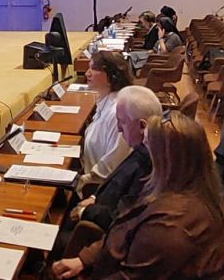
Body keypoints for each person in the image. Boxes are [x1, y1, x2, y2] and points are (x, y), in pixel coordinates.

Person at [53, 111, 224, 280]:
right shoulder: (177, 188)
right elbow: (123, 231)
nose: (142, 149)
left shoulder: (171, 227)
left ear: (166, 159)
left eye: (147, 144)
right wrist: (84, 259)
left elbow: (130, 276)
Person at [70, 86, 164, 232]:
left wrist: (85, 211)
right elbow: (115, 184)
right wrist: (95, 197)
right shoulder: (142, 150)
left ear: (142, 125)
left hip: (98, 234)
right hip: (98, 207)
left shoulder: (148, 164)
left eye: (123, 122)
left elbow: (123, 219)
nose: (119, 129)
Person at [80, 51, 134, 187]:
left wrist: (80, 181)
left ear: (112, 75)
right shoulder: (106, 101)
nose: (87, 73)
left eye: (93, 68)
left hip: (98, 187)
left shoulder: (117, 113)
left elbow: (112, 165)